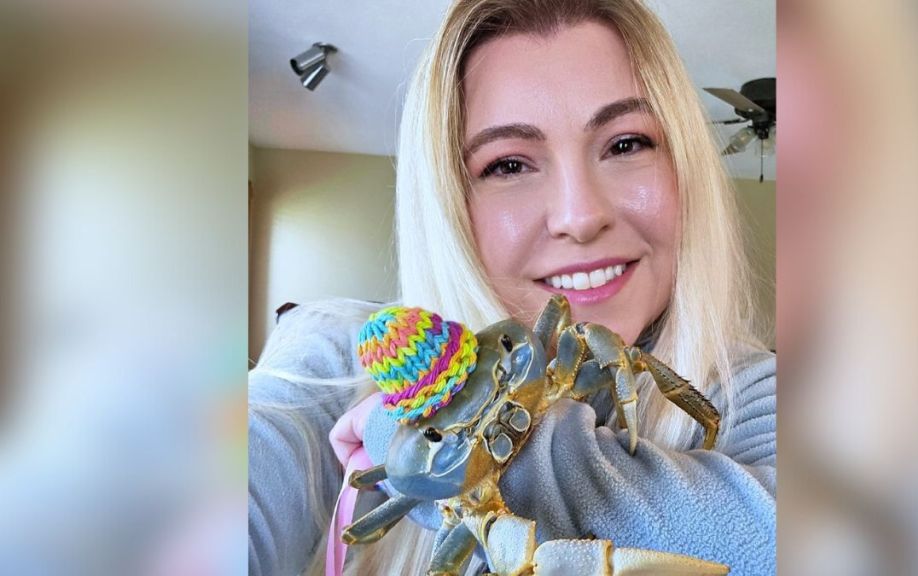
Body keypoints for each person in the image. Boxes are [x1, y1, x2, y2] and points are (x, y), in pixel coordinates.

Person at [248, 1, 776, 575]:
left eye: (627, 143)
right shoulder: (334, 363)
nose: (580, 216)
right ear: (449, 201)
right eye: (508, 165)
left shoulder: (755, 391)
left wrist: (457, 445)